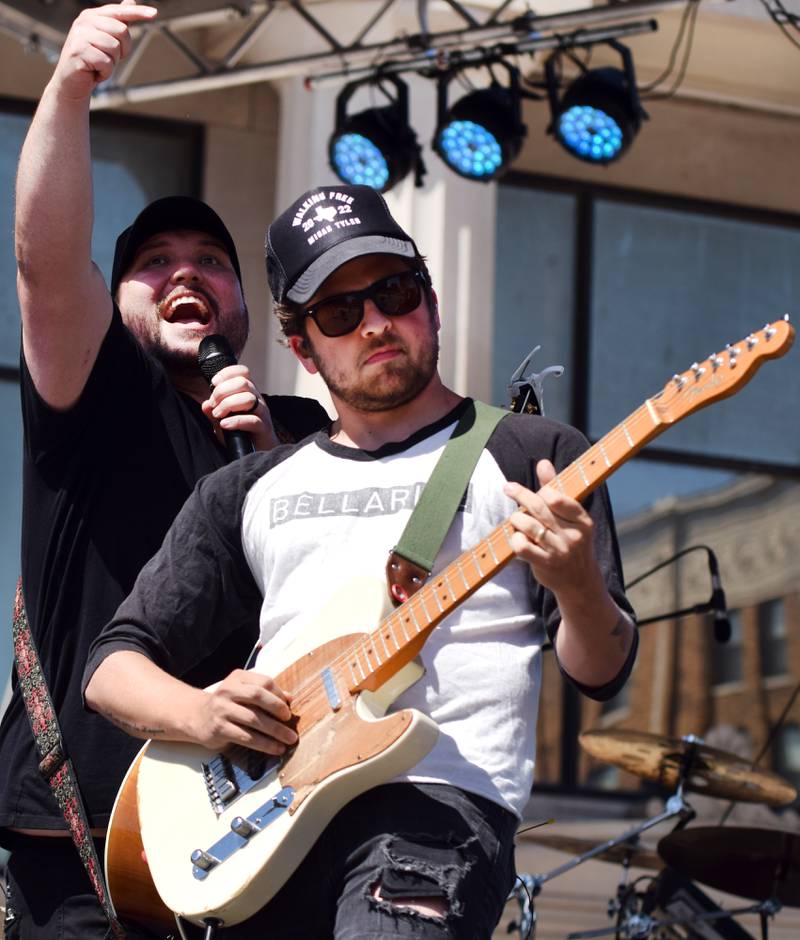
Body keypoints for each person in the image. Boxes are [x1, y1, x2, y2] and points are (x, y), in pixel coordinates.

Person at [83, 183, 638, 939]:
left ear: (433, 304)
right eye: (341, 312)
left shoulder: (531, 454)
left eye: (395, 293)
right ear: (301, 345)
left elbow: (600, 668)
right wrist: (202, 712)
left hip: (433, 811)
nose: (376, 323)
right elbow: (114, 666)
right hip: (264, 826)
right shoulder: (249, 487)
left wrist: (576, 585)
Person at [0, 4, 328, 938]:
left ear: (250, 306)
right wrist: (67, 88)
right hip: (88, 838)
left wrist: (270, 454)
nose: (186, 272)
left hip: (258, 829)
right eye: (154, 262)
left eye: (212, 262)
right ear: (119, 296)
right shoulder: (101, 397)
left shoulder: (304, 431)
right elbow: (43, 260)